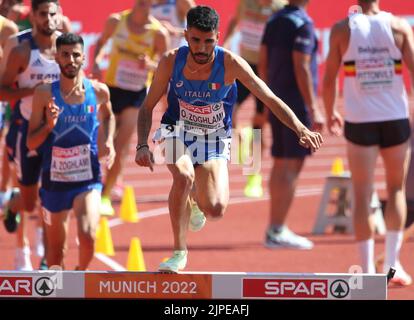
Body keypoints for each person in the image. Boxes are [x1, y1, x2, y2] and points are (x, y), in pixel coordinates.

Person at [135, 5, 323, 273]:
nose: (201, 48)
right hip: (174, 130)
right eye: (196, 40)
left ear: (218, 37)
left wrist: (300, 128)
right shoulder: (170, 60)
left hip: (213, 138)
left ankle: (197, 201)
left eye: (208, 41)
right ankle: (179, 253)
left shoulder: (231, 64)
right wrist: (142, 144)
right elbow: (147, 106)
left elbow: (269, 98)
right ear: (187, 36)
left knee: (216, 209)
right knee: (183, 176)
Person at [323, 0, 413, 285]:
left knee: (362, 193)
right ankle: (392, 264)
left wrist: (329, 112)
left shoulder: (341, 29)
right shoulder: (398, 26)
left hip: (360, 120)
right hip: (394, 118)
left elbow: (328, 80)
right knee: (396, 189)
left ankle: (367, 270)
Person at [27, 32, 115, 270]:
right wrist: (49, 126)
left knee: (88, 236)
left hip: (88, 178)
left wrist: (109, 142)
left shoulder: (98, 92)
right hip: (54, 181)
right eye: (65, 54)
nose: (71, 60)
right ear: (56, 57)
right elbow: (31, 144)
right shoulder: (44, 94)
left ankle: (80, 275)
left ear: (83, 58)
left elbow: (108, 115)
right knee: (55, 254)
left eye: (76, 55)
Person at [0, 0, 62, 270]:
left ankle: (48, 260)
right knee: (29, 202)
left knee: (54, 197)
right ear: (33, 17)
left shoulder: (67, 47)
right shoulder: (22, 50)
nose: (48, 19)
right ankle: (14, 202)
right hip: (27, 127)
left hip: (59, 131)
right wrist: (35, 92)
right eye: (43, 14)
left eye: (52, 14)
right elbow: (3, 91)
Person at [92, 0, 169, 216]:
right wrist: (97, 61)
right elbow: (100, 43)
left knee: (121, 143)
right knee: (101, 142)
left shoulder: (158, 33)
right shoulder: (116, 21)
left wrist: (150, 65)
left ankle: (105, 196)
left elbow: (165, 66)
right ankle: (94, 185)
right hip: (112, 89)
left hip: (136, 93)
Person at [259, 0, 323, 249]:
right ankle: (277, 229)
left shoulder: (274, 20)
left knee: (280, 162)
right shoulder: (303, 23)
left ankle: (275, 227)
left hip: (276, 100)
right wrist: (313, 107)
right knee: (291, 165)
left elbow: (262, 62)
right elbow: (302, 65)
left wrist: (268, 98)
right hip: (296, 103)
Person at [223, 0, 287, 198]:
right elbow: (235, 20)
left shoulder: (279, 7)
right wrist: (225, 43)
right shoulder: (246, 2)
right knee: (227, 112)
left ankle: (254, 176)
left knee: (260, 125)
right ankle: (243, 136)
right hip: (243, 66)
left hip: (265, 72)